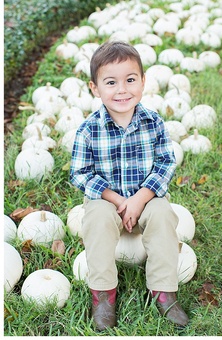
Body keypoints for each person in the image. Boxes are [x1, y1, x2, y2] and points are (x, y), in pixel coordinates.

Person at [70, 41, 188, 330]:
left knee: (162, 214)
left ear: (143, 82)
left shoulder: (154, 122)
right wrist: (117, 200)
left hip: (147, 199)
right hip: (107, 201)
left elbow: (165, 164)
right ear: (95, 88)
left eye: (130, 80)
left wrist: (139, 200)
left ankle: (163, 290)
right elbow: (80, 173)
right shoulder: (89, 129)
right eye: (111, 82)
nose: (122, 89)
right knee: (96, 217)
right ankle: (103, 294)